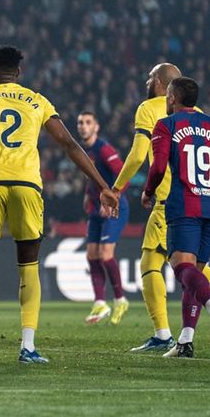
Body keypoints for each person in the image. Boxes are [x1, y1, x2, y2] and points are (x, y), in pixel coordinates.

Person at [0, 46, 119, 364]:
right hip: (27, 184)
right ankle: (27, 346)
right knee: (28, 264)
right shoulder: (37, 100)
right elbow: (70, 144)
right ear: (19, 72)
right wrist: (102, 186)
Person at [111, 63, 210, 352]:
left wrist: (117, 188)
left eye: (149, 77)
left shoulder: (149, 110)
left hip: (173, 200)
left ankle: (167, 332)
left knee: (161, 264)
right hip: (205, 195)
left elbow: (137, 155)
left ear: (161, 84)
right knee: (193, 265)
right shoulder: (199, 114)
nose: (147, 81)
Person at [141, 77, 210, 357]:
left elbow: (156, 167)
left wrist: (148, 191)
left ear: (172, 97)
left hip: (184, 205)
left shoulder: (166, 125)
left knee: (182, 269)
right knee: (195, 275)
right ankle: (185, 341)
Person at [75, 111, 131, 325]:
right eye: (80, 122)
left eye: (88, 122)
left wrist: (113, 198)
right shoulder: (84, 150)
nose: (83, 126)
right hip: (96, 208)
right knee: (91, 255)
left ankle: (120, 299)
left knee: (105, 254)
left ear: (96, 127)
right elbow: (92, 178)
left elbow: (123, 173)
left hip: (114, 207)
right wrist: (87, 197)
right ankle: (100, 302)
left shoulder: (103, 149)